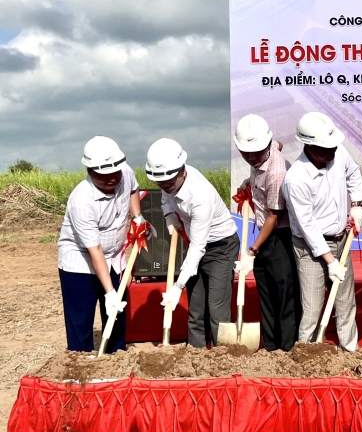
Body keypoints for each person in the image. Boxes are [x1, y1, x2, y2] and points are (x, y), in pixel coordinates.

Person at [282, 112, 362, 351]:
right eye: (326, 148)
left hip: (341, 240)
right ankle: (306, 354)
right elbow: (307, 226)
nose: (332, 151)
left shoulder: (337, 151)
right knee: (312, 307)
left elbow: (353, 173)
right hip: (310, 248)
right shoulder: (296, 179)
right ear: (309, 146)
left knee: (345, 302)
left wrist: (356, 205)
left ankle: (349, 349)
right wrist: (330, 261)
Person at [148, 138, 240, 348]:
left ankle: (222, 356)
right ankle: (196, 354)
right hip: (196, 244)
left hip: (221, 247)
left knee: (217, 308)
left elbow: (199, 247)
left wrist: (178, 286)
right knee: (196, 308)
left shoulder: (200, 196)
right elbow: (165, 198)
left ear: (182, 172)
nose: (165, 187)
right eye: (160, 183)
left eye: (169, 182)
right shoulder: (168, 178)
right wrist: (170, 216)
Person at [57, 136, 145, 353]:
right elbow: (94, 250)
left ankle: (116, 355)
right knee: (81, 316)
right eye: (104, 175)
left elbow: (133, 189)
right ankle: (80, 359)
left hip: (114, 255)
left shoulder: (125, 172)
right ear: (89, 171)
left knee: (117, 314)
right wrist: (109, 293)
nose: (112, 179)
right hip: (82, 261)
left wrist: (137, 217)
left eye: (115, 173)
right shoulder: (82, 201)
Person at [233, 114, 300, 352]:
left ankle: (289, 347)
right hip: (265, 234)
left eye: (256, 153)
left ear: (266, 146)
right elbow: (277, 145)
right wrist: (249, 183)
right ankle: (270, 346)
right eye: (246, 153)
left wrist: (252, 251)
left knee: (284, 293)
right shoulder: (268, 146)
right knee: (266, 290)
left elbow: (274, 216)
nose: (251, 157)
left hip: (280, 235)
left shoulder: (276, 172)